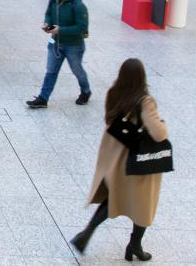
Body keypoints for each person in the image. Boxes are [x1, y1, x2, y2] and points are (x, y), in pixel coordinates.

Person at [70, 58, 167, 262]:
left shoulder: (113, 93)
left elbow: (109, 120)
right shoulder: (145, 101)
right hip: (136, 160)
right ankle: (135, 246)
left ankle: (86, 234)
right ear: (142, 78)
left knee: (114, 197)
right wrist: (163, 125)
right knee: (143, 203)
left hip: (114, 157)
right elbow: (158, 134)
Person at [27, 0, 91, 108]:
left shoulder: (78, 6)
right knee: (51, 71)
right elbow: (48, 14)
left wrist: (61, 30)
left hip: (74, 46)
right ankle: (43, 99)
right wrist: (47, 23)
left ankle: (86, 91)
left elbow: (82, 28)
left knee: (77, 70)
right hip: (55, 44)